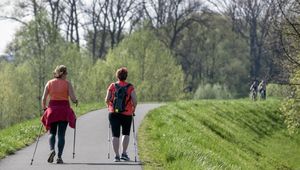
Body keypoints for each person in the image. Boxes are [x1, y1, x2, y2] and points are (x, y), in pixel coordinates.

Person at [41, 65, 78, 164]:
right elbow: (73, 98)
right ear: (63, 74)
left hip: (52, 110)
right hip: (64, 110)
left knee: (52, 133)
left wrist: (44, 108)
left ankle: (52, 149)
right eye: (66, 74)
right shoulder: (67, 84)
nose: (66, 76)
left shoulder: (49, 83)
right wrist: (76, 101)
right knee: (61, 135)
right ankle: (59, 157)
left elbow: (43, 98)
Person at [105, 67, 137, 162]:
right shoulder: (130, 87)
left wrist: (109, 106)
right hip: (127, 113)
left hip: (113, 112)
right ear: (126, 76)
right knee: (126, 133)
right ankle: (124, 153)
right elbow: (135, 100)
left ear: (117, 76)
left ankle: (117, 156)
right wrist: (133, 109)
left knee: (115, 134)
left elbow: (107, 99)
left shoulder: (112, 86)